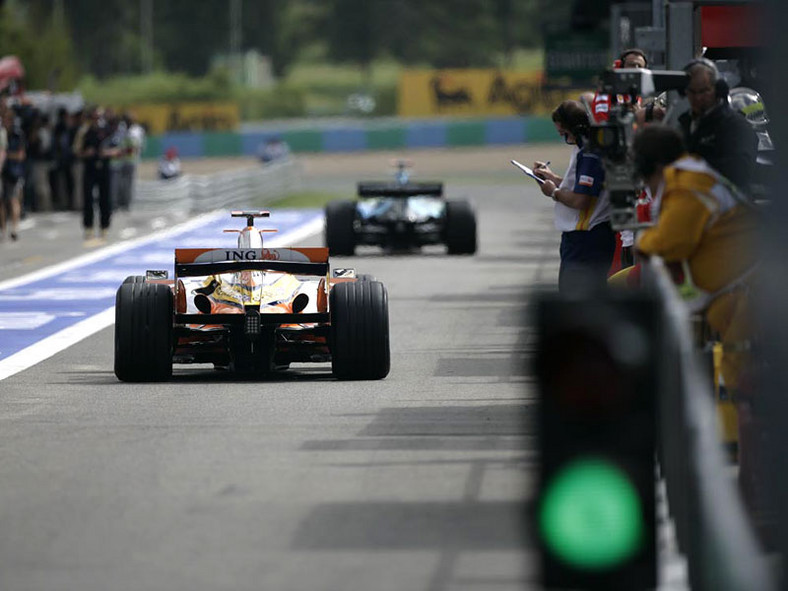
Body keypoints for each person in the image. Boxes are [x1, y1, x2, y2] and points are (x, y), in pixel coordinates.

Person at [532, 100, 615, 293]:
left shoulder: (589, 154)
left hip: (586, 239)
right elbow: (578, 187)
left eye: (565, 135)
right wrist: (551, 178)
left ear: (574, 129)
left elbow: (581, 200)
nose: (566, 140)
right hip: (583, 239)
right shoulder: (586, 149)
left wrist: (553, 192)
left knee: (576, 301)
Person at [678, 58, 758, 192]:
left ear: (718, 90)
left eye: (704, 91)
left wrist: (695, 166)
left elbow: (742, 171)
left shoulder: (735, 125)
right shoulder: (686, 123)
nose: (698, 98)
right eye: (692, 92)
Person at [1, 108, 26, 241]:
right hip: (2, 171)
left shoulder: (17, 134)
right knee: (2, 202)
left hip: (14, 171)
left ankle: (15, 228)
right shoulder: (1, 133)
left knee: (13, 199)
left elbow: (21, 155)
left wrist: (5, 155)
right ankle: (3, 229)